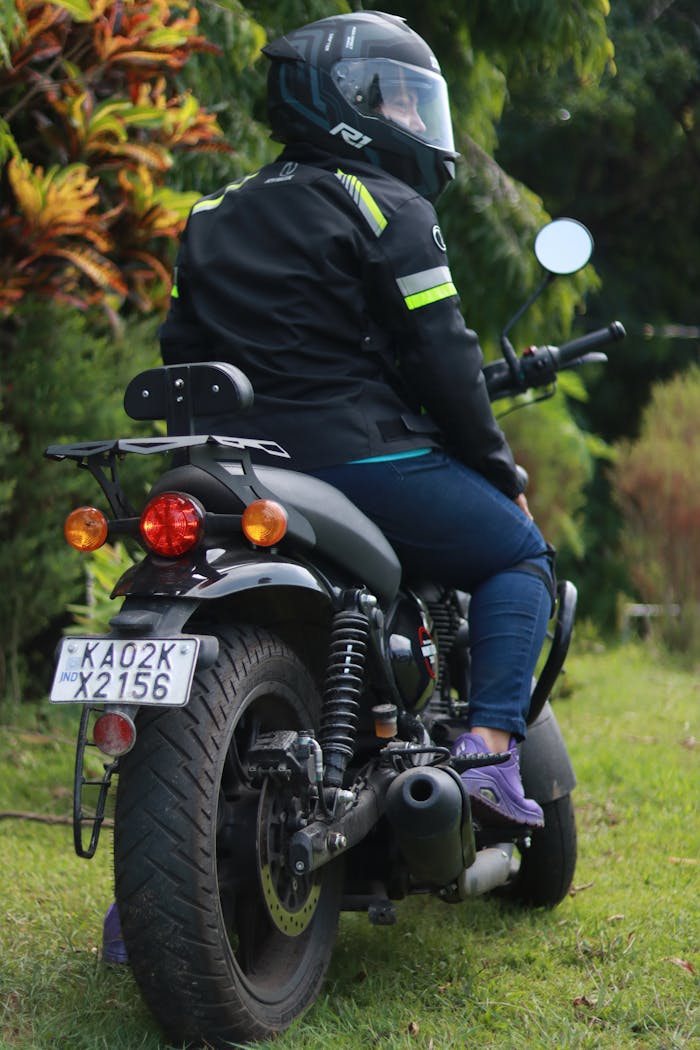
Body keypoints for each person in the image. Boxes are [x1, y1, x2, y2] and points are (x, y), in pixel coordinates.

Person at [159, 9, 555, 829]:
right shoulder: (384, 205)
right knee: (519, 555)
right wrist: (500, 471)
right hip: (355, 462)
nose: (413, 121)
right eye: (400, 101)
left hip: (227, 467)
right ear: (341, 102)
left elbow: (181, 357)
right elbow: (444, 358)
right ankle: (486, 752)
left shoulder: (210, 214)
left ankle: (155, 882)